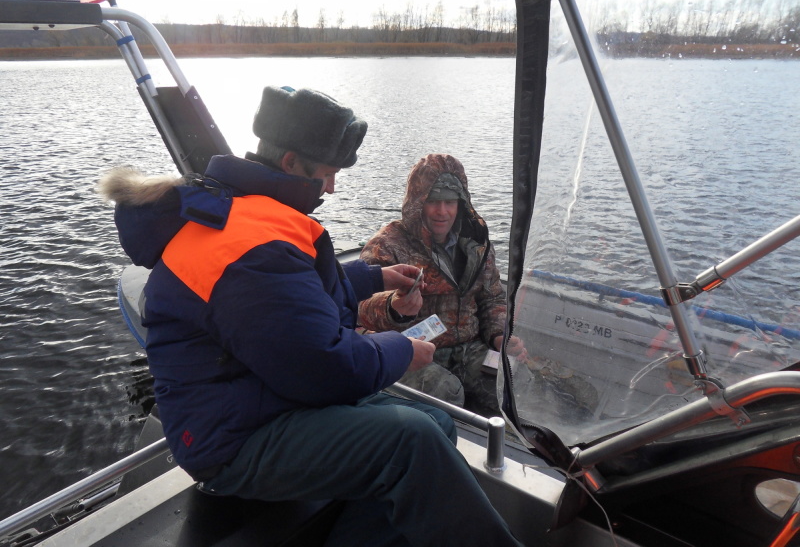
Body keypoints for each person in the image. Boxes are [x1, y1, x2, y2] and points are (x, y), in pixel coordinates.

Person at [99, 87, 523, 547]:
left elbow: (292, 296)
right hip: (231, 441)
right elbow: (325, 368)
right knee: (412, 439)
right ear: (289, 163)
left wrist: (371, 277)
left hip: (264, 395)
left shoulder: (246, 213)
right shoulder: (249, 245)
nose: (332, 187)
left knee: (437, 425)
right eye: (328, 174)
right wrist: (402, 349)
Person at [358, 153, 526, 416]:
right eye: (433, 202)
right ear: (418, 203)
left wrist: (498, 336)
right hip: (411, 352)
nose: (442, 211)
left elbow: (492, 298)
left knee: (519, 383)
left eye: (450, 202)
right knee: (447, 392)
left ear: (461, 203)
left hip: (469, 347)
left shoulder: (476, 243)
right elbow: (358, 309)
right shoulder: (387, 245)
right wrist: (394, 307)